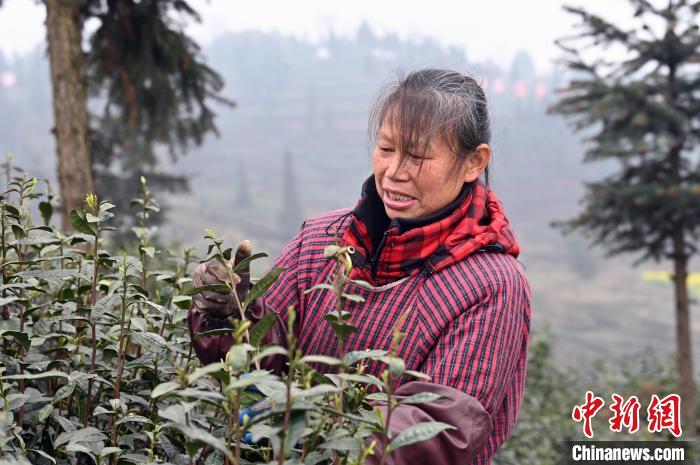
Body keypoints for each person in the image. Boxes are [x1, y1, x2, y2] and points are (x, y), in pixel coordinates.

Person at [188, 68, 531, 465]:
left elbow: (436, 429)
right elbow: (258, 367)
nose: (394, 172)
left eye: (418, 156)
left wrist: (315, 436)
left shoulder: (492, 285)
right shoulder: (320, 240)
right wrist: (230, 312)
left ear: (474, 162)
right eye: (386, 149)